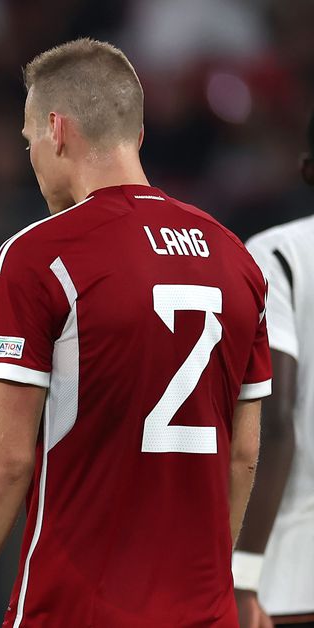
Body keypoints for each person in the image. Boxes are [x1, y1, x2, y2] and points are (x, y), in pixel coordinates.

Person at [0, 38, 272, 627]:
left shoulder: (40, 257)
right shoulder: (237, 260)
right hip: (204, 614)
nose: (32, 154)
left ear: (56, 130)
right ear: (135, 136)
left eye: (29, 137)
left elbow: (2, 463)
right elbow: (242, 453)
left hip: (75, 610)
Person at [239, 110, 314, 628]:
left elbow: (276, 417)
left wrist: (243, 574)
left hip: (291, 572)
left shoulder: (278, 255)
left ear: (306, 169)